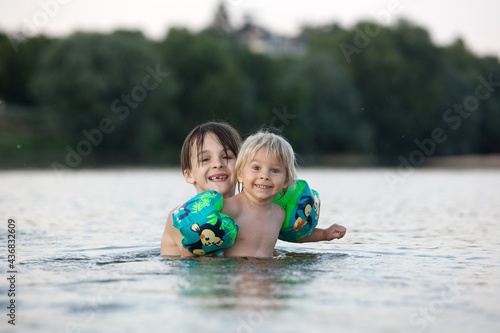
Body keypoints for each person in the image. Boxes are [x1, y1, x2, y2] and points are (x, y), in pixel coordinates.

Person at [221, 131, 346, 258]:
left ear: (286, 180)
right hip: (237, 273)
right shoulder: (230, 207)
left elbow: (293, 235)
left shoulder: (279, 212)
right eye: (256, 168)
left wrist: (325, 234)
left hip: (270, 274)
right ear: (240, 175)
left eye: (274, 170)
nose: (265, 176)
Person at [160, 121, 241, 257]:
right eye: (205, 159)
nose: (217, 164)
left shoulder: (252, 212)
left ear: (242, 166)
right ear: (189, 175)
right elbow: (199, 267)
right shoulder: (180, 219)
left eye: (227, 157)